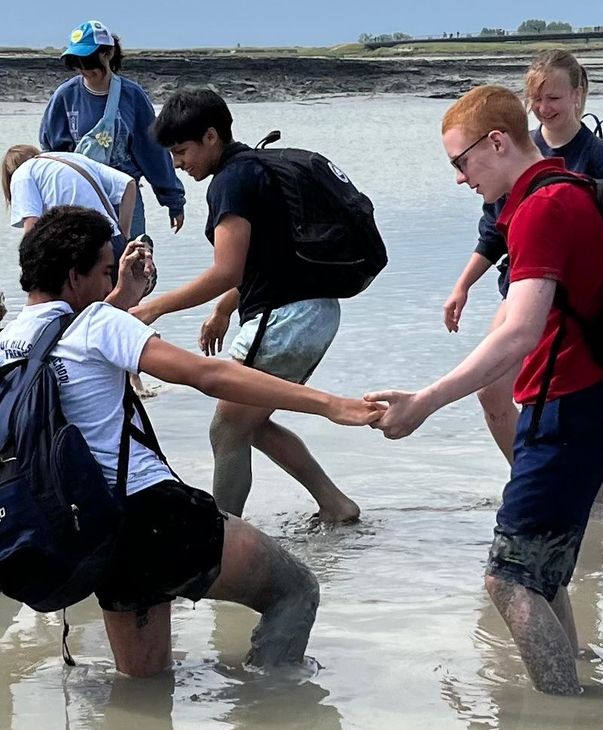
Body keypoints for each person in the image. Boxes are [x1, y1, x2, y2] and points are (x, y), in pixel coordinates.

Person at [0, 206, 383, 676]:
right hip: (152, 515)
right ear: (74, 278)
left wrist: (124, 295)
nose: (107, 287)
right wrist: (329, 404)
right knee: (295, 590)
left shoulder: (9, 341)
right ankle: (268, 723)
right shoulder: (97, 322)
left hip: (90, 529)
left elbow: (74, 348)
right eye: (103, 272)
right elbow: (209, 374)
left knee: (143, 684)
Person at [366, 85, 603, 695]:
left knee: (508, 580)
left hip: (564, 412)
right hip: (582, 406)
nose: (459, 178)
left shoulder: (542, 208)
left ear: (497, 142)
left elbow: (519, 334)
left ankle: (564, 716)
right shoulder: (559, 189)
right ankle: (580, 714)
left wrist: (424, 402)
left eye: (461, 162)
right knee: (542, 577)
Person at [131, 87, 361, 525]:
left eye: (182, 152)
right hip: (313, 311)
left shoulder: (231, 182)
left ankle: (222, 541)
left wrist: (152, 308)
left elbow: (227, 270)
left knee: (226, 427)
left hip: (287, 317)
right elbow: (268, 259)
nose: (178, 164)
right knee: (248, 423)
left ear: (212, 137)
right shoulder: (253, 168)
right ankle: (335, 505)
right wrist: (222, 309)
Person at [443, 51, 603, 476]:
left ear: (577, 95)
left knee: (573, 401)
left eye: (553, 97)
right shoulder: (516, 149)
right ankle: (531, 475)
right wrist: (463, 285)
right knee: (492, 391)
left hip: (578, 305)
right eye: (535, 97)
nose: (544, 108)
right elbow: (493, 231)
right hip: (521, 286)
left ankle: (585, 503)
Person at [39, 20, 186, 237]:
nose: (84, 69)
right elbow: (51, 154)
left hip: (125, 199)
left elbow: (153, 152)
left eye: (88, 61)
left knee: (132, 262)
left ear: (108, 53)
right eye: (76, 62)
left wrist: (173, 200)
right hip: (78, 201)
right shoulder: (64, 96)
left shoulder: (132, 96)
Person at [2, 143, 136, 244]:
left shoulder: (22, 173)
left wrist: (27, 268)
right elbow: (128, 185)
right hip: (111, 239)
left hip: (78, 247)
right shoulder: (75, 158)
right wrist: (124, 236)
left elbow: (32, 227)